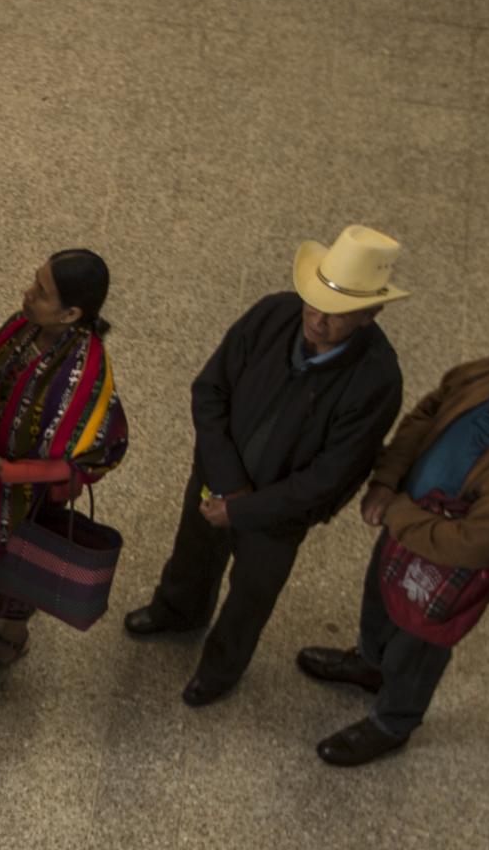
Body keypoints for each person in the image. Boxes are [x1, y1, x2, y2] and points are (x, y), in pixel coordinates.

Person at [295, 322, 489, 764]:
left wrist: (397, 511)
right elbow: (430, 410)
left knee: (418, 647)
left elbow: (473, 545)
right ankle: (369, 664)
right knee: (379, 598)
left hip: (452, 567)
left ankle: (392, 723)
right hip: (408, 527)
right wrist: (387, 481)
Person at [125, 224, 409, 704]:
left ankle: (220, 669)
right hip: (216, 478)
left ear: (371, 313)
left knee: (250, 596)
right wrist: (226, 483)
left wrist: (240, 511)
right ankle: (178, 611)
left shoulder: (378, 380)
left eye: (337, 313)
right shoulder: (274, 313)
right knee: (193, 550)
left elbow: (328, 478)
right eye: (314, 301)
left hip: (278, 517)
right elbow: (209, 391)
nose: (317, 319)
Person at [0, 248, 131, 680]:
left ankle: (12, 636)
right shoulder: (25, 326)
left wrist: (7, 472)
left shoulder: (86, 376)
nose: (27, 294)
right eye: (34, 282)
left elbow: (93, 456)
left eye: (40, 291)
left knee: (16, 567)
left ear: (71, 312)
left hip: (25, 501)